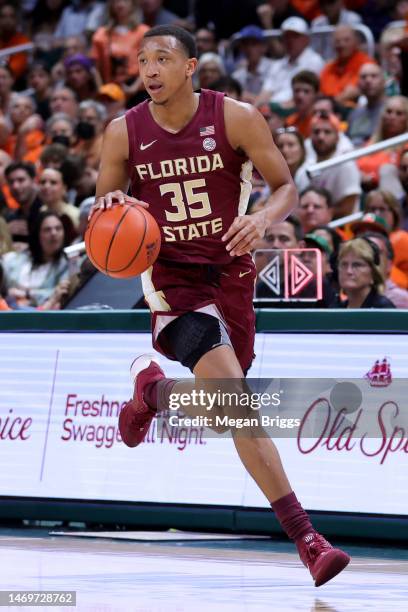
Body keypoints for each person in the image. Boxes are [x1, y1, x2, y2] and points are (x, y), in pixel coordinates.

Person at [90, 24, 350, 586]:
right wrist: (108, 204)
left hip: (231, 275)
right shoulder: (122, 131)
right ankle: (307, 538)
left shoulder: (235, 117)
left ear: (191, 67)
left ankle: (154, 395)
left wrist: (262, 218)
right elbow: (103, 211)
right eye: (142, 61)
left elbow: (284, 187)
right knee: (237, 402)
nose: (150, 70)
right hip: (172, 279)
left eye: (163, 58)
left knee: (228, 405)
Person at [1, 211, 71, 308]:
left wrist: (27, 294)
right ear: (37, 234)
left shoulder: (68, 264)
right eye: (47, 229)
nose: (54, 233)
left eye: (58, 228)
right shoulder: (15, 259)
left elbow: (60, 293)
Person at [319, 25, 376, 106]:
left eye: (346, 40)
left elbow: (356, 91)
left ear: (357, 42)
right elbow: (320, 92)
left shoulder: (367, 64)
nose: (341, 44)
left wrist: (335, 100)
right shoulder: (328, 68)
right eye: (337, 41)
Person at [332, 237, 396, 308]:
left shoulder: (383, 309)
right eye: (344, 264)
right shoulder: (336, 308)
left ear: (373, 273)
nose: (349, 271)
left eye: (357, 265)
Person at [346, 63, 386, 147]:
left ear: (384, 81)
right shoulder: (354, 114)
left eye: (374, 76)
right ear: (358, 84)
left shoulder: (394, 111)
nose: (368, 80)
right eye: (363, 77)